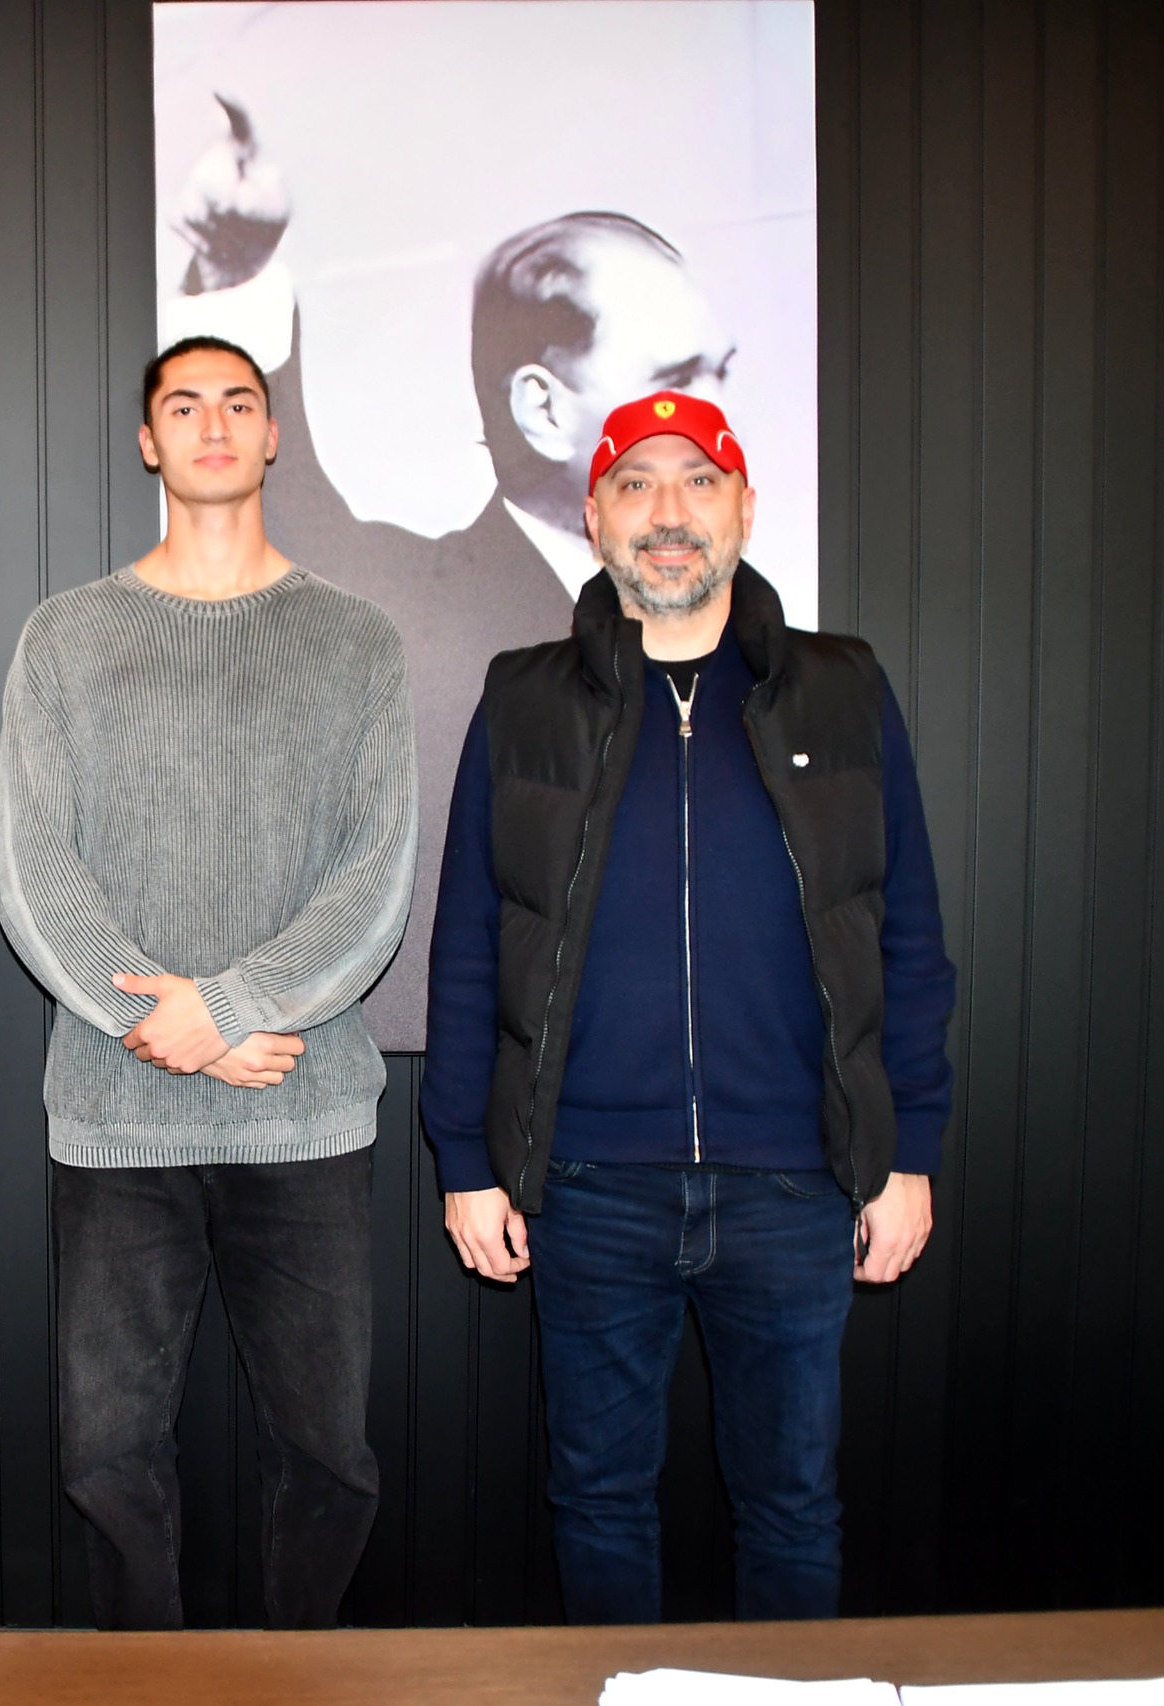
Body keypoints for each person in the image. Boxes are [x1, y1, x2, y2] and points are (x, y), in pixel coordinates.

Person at [420, 392, 956, 1624]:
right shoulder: (521, 698)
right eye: (636, 483)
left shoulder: (843, 687)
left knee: (792, 1504)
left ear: (743, 507)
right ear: (594, 516)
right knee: (597, 1499)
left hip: (797, 1181)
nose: (668, 511)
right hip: (588, 1183)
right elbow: (469, 942)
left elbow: (908, 934)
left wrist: (909, 1150)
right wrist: (467, 1161)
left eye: (697, 481)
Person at [0, 336, 417, 1629]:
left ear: (273, 435)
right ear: (149, 441)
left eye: (239, 402)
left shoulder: (356, 639)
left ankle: (300, 1679)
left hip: (306, 1117)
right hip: (117, 1123)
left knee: (327, 1453)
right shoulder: (66, 637)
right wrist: (163, 1023)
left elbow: (375, 878)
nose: (214, 424)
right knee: (107, 1451)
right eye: (185, 405)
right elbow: (31, 867)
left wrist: (224, 1010)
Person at [163, 99, 737, 1047]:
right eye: (677, 376)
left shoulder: (756, 648)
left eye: (724, 371)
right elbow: (293, 506)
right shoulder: (408, 600)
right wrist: (235, 273)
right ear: (543, 410)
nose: (713, 417)